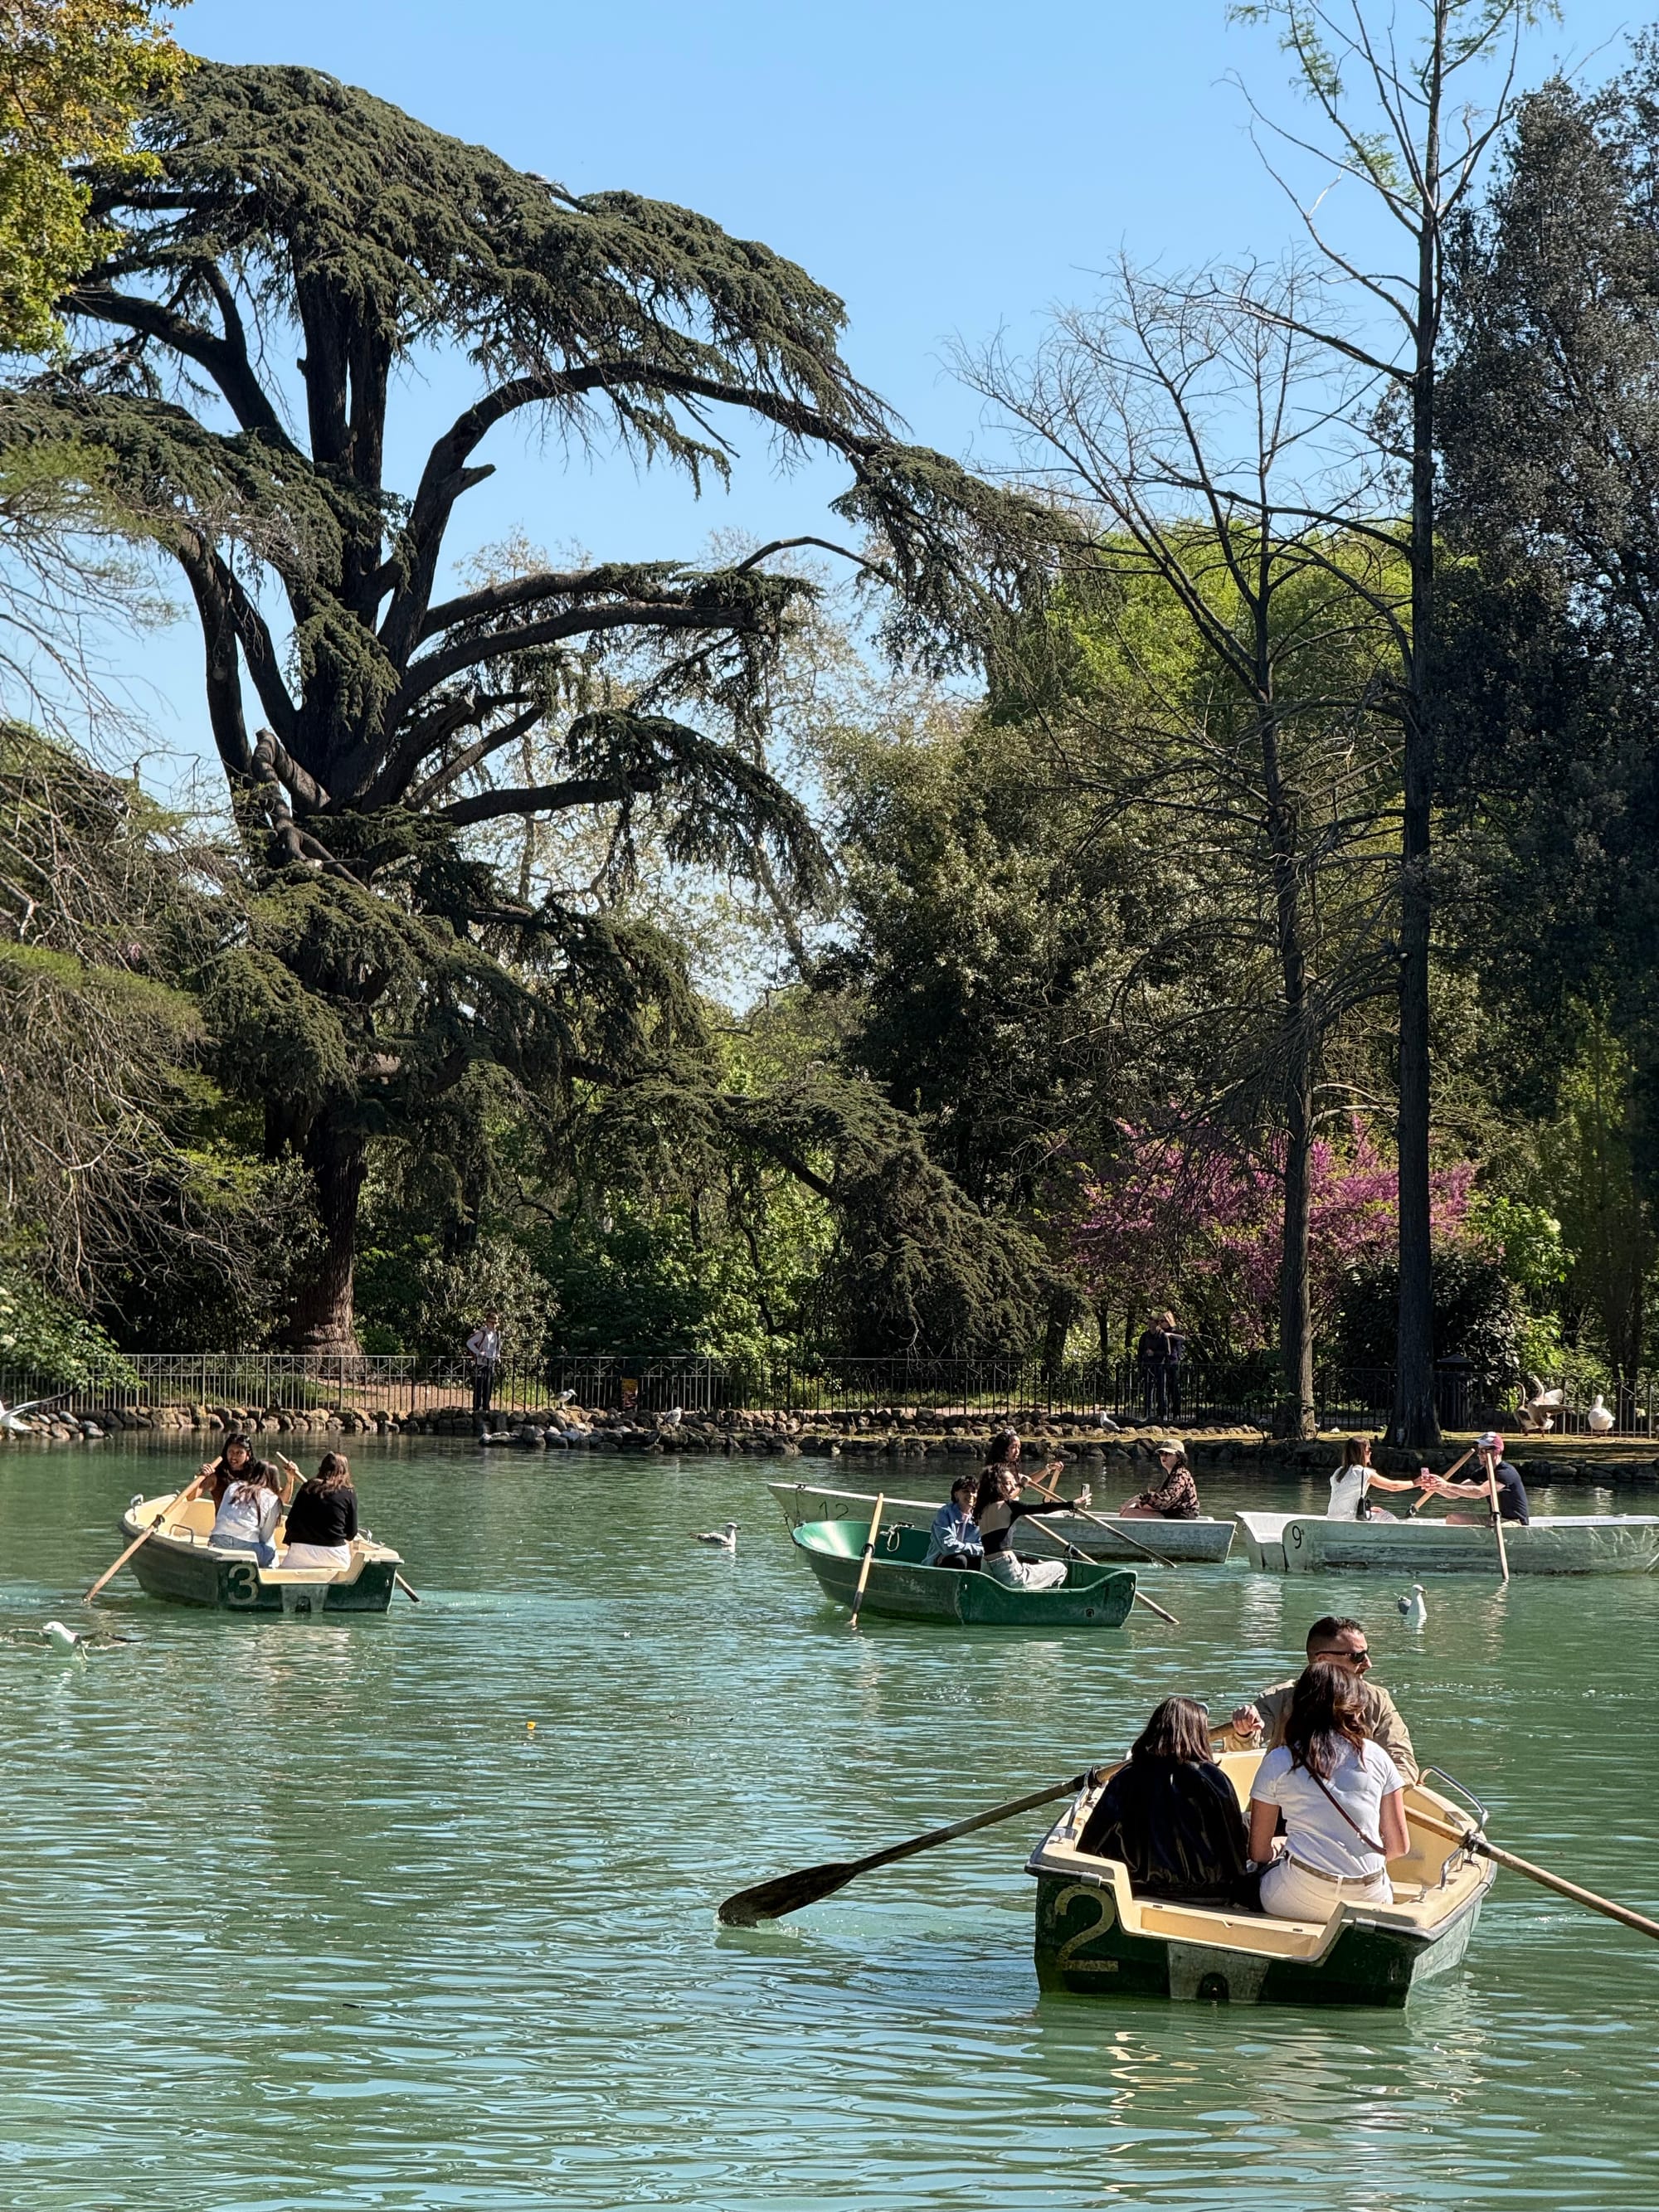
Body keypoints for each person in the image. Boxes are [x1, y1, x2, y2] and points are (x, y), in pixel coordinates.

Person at [1247, 1661, 1410, 1919]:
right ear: (1354, 1707)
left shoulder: (1279, 1761)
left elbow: (1258, 1852)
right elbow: (1399, 1847)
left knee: (1249, 1881)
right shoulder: (1378, 1757)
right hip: (1369, 1897)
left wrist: (1282, 1846)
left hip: (1298, 1895)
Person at [1077, 1695, 1248, 1906]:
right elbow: (1234, 1846)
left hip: (1142, 1890)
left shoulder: (1126, 1779)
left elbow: (1090, 1844)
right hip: (1213, 1893)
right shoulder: (1215, 1780)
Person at [1228, 1614, 1418, 1782]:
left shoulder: (1378, 1700)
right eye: (1357, 1657)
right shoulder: (1277, 1699)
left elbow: (1403, 1761)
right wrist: (1244, 1731)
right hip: (1285, 1804)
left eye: (1367, 1654)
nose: (1368, 1664)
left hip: (1358, 1807)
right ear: (1323, 1660)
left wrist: (1368, 1793)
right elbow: (1242, 1746)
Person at [974, 1439, 1079, 1591]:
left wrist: (1045, 1471)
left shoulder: (981, 1508)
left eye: (1013, 1483)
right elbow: (1043, 1508)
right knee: (1060, 1568)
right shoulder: (1008, 1506)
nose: (1012, 1487)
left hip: (986, 1568)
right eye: (1008, 1484)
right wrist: (1072, 1504)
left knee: (1034, 1564)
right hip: (1008, 1570)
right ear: (997, 1485)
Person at [1417, 1431, 1530, 1526]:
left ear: (1496, 1451)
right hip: (1495, 1519)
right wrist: (1436, 1486)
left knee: (1494, 1527)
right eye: (1479, 1451)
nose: (1479, 1455)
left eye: (1483, 1451)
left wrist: (1446, 1485)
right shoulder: (1482, 1472)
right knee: (1453, 1518)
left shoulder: (1506, 1472)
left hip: (1515, 1522)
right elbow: (1454, 1494)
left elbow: (1479, 1493)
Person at [280, 1450, 358, 1570]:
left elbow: (289, 1524)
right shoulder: (349, 1492)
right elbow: (351, 1534)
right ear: (344, 1472)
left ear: (322, 1468)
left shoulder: (307, 1488)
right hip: (335, 1557)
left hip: (300, 1556)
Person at [208, 1456, 290, 1568]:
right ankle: (271, 1571)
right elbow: (265, 1537)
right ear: (275, 1480)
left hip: (217, 1541)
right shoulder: (272, 1498)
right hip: (246, 1547)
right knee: (270, 1550)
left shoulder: (234, 1486)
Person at [1326, 1436, 1424, 1521]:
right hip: (1348, 1518)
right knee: (1385, 1515)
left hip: (1332, 1517)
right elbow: (1393, 1486)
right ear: (1361, 1453)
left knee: (1377, 1513)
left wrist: (1363, 1509)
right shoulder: (1363, 1472)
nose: (1370, 1452)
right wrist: (1416, 1482)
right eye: (1368, 1450)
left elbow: (1344, 1499)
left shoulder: (1338, 1472)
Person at [1121, 1441, 1201, 1519]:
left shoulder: (1181, 1475)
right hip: (1173, 1513)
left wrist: (1140, 1499)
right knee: (1133, 1510)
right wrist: (1140, 1503)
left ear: (1179, 1457)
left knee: (1129, 1514)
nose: (1163, 1457)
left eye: (1168, 1454)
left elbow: (1167, 1498)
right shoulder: (1173, 1474)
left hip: (1183, 1516)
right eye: (1161, 1453)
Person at [924, 1476, 983, 1568]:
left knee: (980, 1561)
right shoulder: (944, 1513)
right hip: (939, 1561)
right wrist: (972, 1549)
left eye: (974, 1492)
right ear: (956, 1495)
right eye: (966, 1491)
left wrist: (961, 1549)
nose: (971, 1495)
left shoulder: (979, 1517)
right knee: (960, 1560)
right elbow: (948, 1546)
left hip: (967, 1557)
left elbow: (984, 1548)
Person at [198, 1432, 257, 1510]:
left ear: (248, 1455)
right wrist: (201, 1476)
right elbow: (190, 1497)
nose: (234, 1457)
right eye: (231, 1452)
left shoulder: (256, 1476)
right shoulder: (216, 1476)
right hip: (223, 1517)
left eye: (239, 1453)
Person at [466, 1310, 502, 1417]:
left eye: (495, 1323)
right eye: (492, 1323)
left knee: (488, 1387)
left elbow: (496, 1348)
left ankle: (486, 1408)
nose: (494, 1325)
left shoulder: (496, 1335)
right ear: (487, 1323)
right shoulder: (482, 1334)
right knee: (479, 1387)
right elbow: (469, 1343)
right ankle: (477, 1409)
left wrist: (497, 1356)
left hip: (491, 1363)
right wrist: (478, 1353)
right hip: (481, 1363)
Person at [1136, 1314, 1170, 1420]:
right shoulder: (1144, 1336)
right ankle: (1147, 1414)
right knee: (1148, 1391)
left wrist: (1154, 1353)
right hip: (1148, 1367)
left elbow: (1167, 1352)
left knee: (1161, 1391)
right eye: (1148, 1324)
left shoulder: (1163, 1336)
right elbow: (1140, 1352)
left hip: (1159, 1366)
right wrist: (1140, 1365)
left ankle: (1162, 1414)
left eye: (1152, 1324)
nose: (1150, 1326)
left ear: (1157, 1324)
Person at [1160, 1311, 1186, 1419]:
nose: (1161, 1323)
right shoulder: (1160, 1332)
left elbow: (1183, 1339)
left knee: (1174, 1388)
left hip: (1173, 1362)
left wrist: (1170, 1335)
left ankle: (1176, 1412)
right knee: (1163, 1388)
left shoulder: (1175, 1332)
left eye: (1163, 1321)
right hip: (1163, 1362)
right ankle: (1163, 1412)